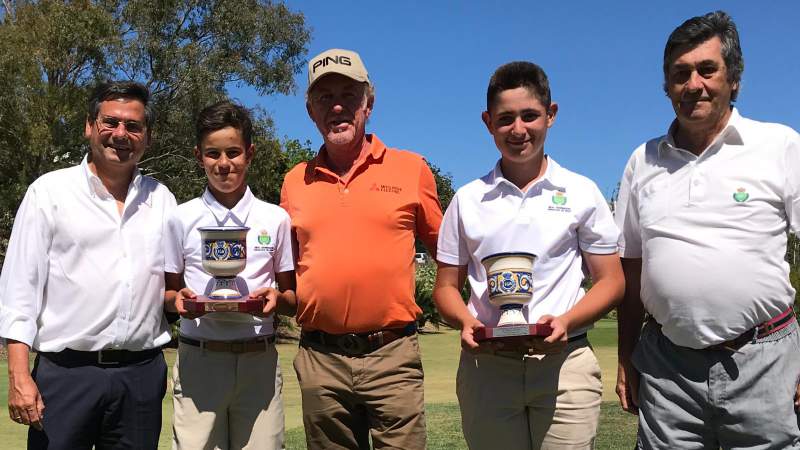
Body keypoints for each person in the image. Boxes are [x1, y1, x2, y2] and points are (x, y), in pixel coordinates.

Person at [615, 10, 800, 449]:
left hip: (765, 360)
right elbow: (631, 268)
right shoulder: (642, 161)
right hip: (667, 369)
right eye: (679, 73)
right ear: (667, 86)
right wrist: (625, 356)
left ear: (733, 79)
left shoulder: (780, 146)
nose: (692, 83)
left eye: (706, 69)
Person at [433, 61, 624, 450]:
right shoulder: (467, 200)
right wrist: (466, 321)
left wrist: (568, 320)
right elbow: (445, 288)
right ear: (488, 122)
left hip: (565, 365)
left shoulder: (581, 191)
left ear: (550, 115)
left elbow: (612, 280)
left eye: (530, 116)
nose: (518, 130)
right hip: (487, 367)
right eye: (505, 119)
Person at [279, 48, 443, 450]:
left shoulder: (411, 168)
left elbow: (450, 252)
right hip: (321, 359)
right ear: (310, 111)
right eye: (324, 97)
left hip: (392, 356)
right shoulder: (294, 181)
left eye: (349, 95)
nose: (337, 106)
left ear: (368, 104)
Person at [0, 81, 175, 449]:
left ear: (147, 137)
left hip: (141, 377)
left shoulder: (162, 200)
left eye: (133, 126)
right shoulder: (49, 193)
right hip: (66, 376)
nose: (121, 134)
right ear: (89, 127)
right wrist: (18, 373)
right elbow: (19, 292)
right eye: (110, 122)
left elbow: (177, 280)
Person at [164, 100, 295, 449]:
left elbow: (291, 297)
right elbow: (167, 293)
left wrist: (276, 300)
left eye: (233, 152)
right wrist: (177, 301)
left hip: (258, 361)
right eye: (213, 154)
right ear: (198, 155)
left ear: (249, 154)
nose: (224, 164)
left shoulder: (275, 219)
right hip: (199, 360)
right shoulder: (181, 218)